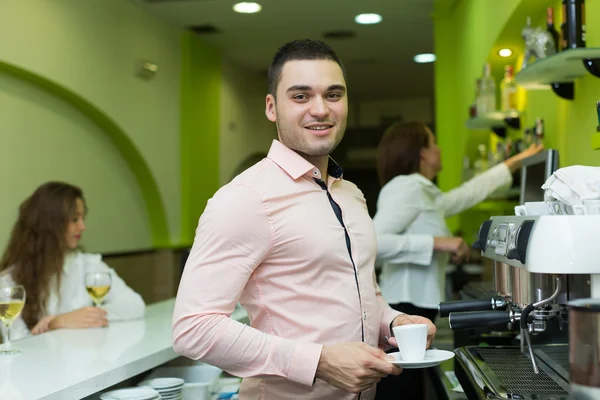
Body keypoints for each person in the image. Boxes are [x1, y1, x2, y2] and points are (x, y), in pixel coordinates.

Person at [172, 39, 436, 400]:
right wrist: (319, 361)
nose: (320, 109)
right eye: (300, 96)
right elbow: (193, 328)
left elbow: (361, 295)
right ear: (271, 107)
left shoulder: (352, 195)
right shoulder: (245, 199)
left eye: (333, 94)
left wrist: (392, 321)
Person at [372, 121, 543, 399]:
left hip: (413, 306)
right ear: (423, 153)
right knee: (402, 391)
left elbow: (466, 195)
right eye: (434, 142)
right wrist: (438, 243)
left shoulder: (424, 192)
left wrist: (513, 163)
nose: (439, 148)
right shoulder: (407, 187)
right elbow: (374, 243)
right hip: (402, 305)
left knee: (410, 390)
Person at [0, 182, 145, 341]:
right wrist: (56, 324)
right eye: (75, 219)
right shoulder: (9, 280)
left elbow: (135, 305)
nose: (82, 226)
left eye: (83, 218)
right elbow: (16, 343)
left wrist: (78, 318)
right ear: (49, 223)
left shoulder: (89, 265)